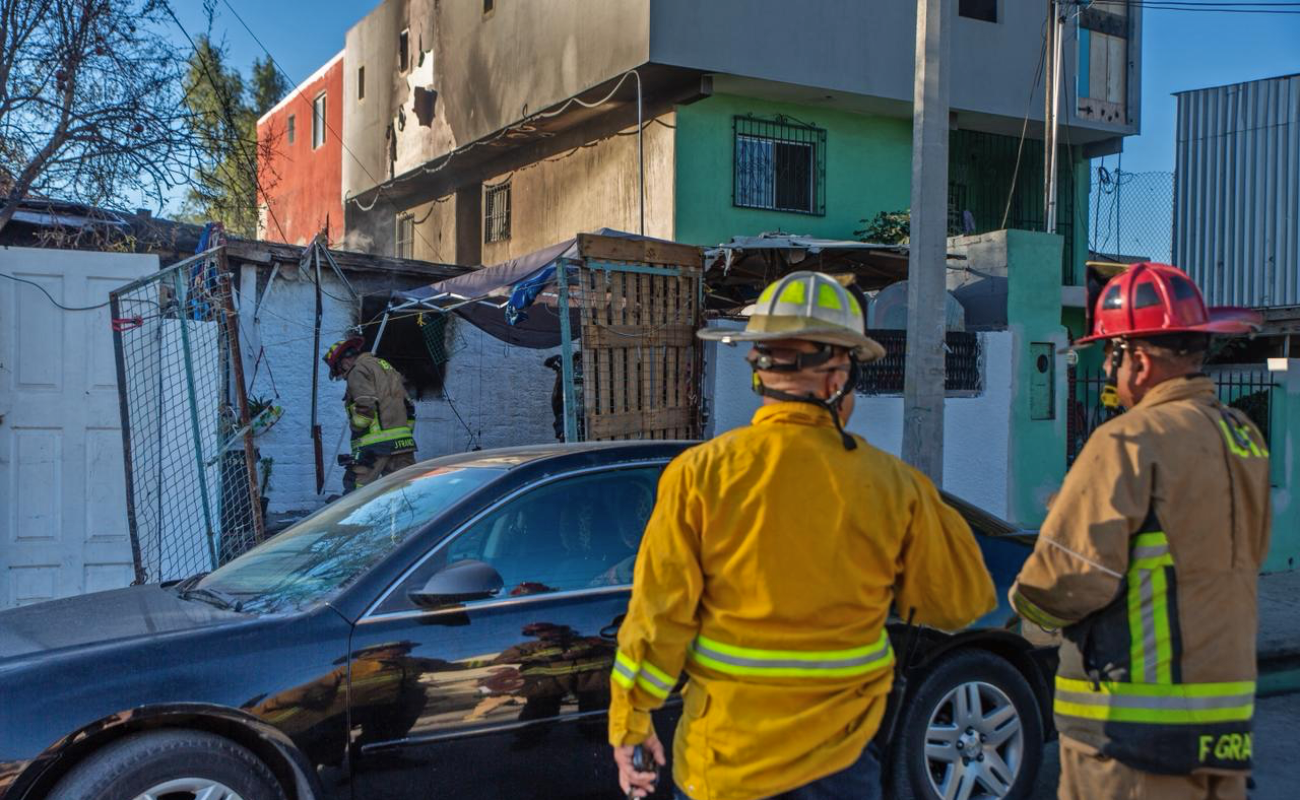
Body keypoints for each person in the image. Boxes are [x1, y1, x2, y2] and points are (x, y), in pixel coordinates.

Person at [607, 271, 997, 800]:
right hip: (841, 768)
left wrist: (631, 724)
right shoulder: (895, 486)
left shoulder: (698, 476)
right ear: (840, 378)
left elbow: (656, 621)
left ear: (757, 373)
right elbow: (958, 603)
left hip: (723, 768)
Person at [1009, 263, 1269, 800]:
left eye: (1111, 354)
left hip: (1129, 737)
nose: (1107, 369)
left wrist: (1026, 621)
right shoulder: (1244, 437)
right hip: (1222, 728)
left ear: (1140, 360)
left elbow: (1065, 578)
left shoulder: (1127, 442)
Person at [323, 337, 417, 492]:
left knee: (356, 492)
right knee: (404, 492)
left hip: (374, 448)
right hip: (403, 445)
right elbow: (409, 407)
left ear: (344, 361)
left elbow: (365, 408)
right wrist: (404, 433)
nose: (343, 375)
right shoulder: (386, 367)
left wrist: (356, 428)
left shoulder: (357, 370)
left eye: (340, 370)